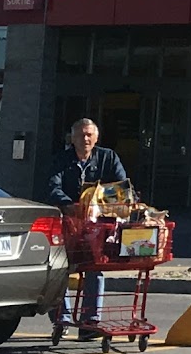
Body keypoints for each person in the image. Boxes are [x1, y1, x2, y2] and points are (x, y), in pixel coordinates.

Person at [46, 118, 131, 332]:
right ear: (72, 138)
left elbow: (121, 187)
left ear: (96, 138)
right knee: (59, 269)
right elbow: (52, 187)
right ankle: (62, 318)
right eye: (81, 135)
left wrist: (103, 204)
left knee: (95, 268)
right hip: (68, 222)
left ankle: (90, 320)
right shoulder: (61, 160)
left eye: (89, 135)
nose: (85, 139)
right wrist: (70, 205)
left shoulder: (108, 157)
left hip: (97, 225)